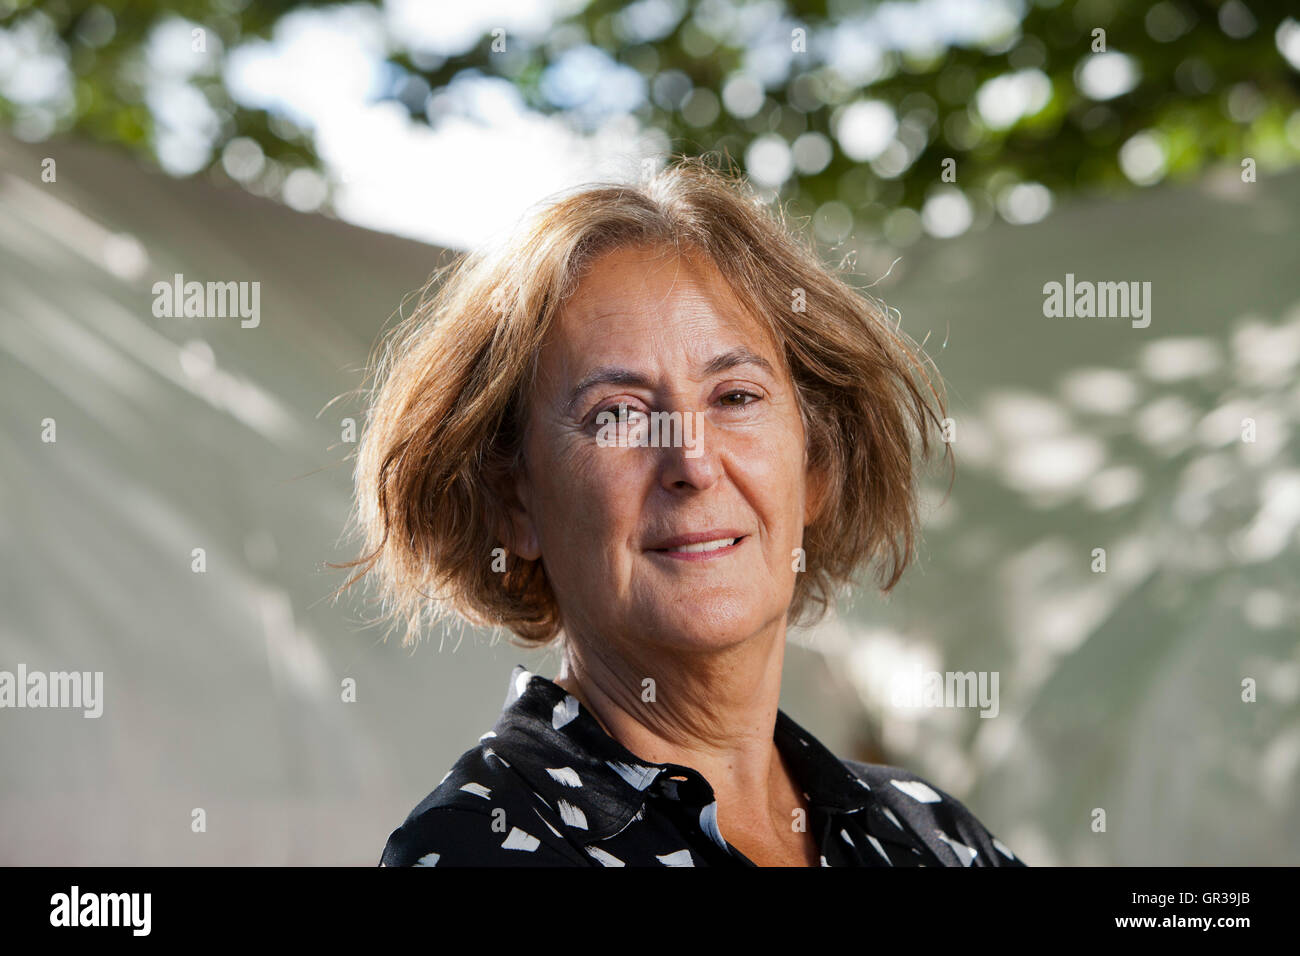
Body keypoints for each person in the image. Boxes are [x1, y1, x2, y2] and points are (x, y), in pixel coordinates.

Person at [340, 155, 1025, 867]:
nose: (692, 463)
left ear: (819, 463)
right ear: (516, 503)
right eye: (619, 414)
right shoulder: (473, 851)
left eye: (734, 397)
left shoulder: (932, 838)